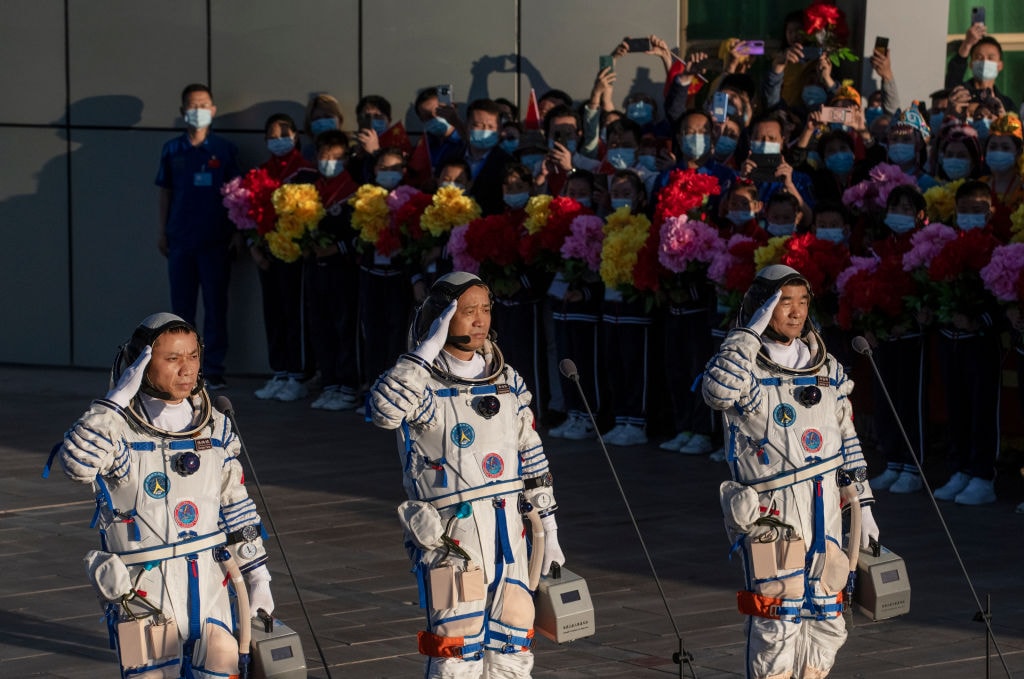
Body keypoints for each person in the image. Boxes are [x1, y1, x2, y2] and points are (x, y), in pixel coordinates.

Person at [369, 272, 565, 678]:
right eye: (467, 311)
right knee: (456, 644)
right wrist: (426, 350)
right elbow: (384, 413)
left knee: (514, 632)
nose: (480, 320)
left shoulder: (507, 380)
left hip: (509, 533)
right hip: (451, 541)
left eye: (486, 310)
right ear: (442, 317)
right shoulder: (422, 386)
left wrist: (550, 530)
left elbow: (531, 456)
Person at [58, 313, 273, 677]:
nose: (186, 368)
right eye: (172, 359)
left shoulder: (216, 424)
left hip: (210, 583)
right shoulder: (118, 430)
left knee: (221, 669)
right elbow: (77, 464)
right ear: (140, 363)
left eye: (193, 356)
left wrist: (258, 577)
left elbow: (234, 504)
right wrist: (112, 404)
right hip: (143, 588)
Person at [702, 265, 879, 679]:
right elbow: (716, 392)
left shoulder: (826, 366)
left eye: (802, 302)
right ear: (762, 307)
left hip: (827, 507)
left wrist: (864, 504)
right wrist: (747, 334)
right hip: (773, 512)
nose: (796, 313)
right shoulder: (745, 366)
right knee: (778, 618)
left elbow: (846, 436)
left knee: (828, 617)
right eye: (784, 303)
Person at [156, 83, 240, 390]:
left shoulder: (224, 150)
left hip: (216, 241)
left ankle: (213, 367)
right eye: (192, 106)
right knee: (181, 310)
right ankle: (182, 370)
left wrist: (236, 234)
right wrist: (162, 231)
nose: (198, 111)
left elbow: (237, 195)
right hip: (180, 241)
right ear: (182, 112)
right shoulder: (172, 150)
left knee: (216, 307)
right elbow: (165, 193)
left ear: (213, 110)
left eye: (203, 105)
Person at [252, 113, 314, 403]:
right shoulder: (262, 172)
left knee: (294, 314)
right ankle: (280, 372)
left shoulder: (305, 171)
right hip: (268, 254)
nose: (278, 141)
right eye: (272, 136)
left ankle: (298, 375)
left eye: (284, 134)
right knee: (273, 312)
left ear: (296, 135)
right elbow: (249, 213)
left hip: (295, 255)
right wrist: (256, 245)